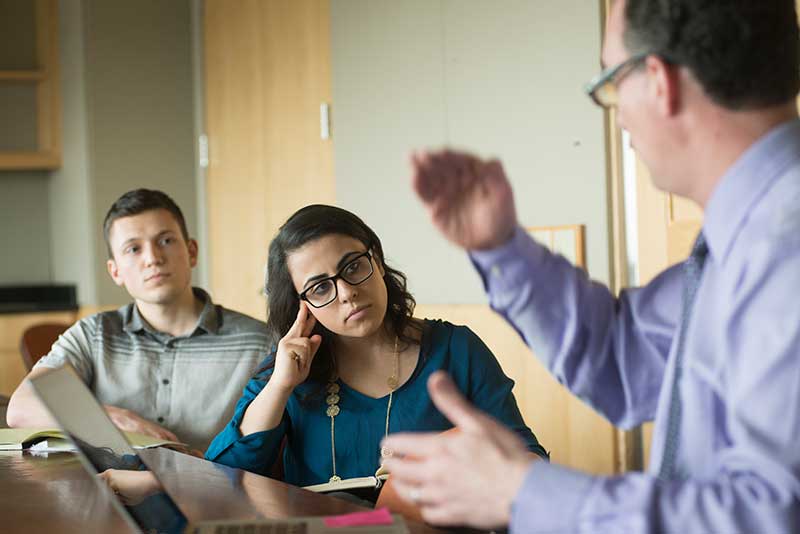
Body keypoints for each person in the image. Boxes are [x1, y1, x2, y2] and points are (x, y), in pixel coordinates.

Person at [382, 0, 800, 531]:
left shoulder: (784, 246)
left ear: (657, 80)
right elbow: (626, 358)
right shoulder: (750, 232)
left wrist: (521, 491)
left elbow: (771, 517)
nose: (617, 112)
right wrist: (501, 246)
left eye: (611, 80)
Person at [205, 204, 547, 498]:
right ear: (302, 306)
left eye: (353, 266)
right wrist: (280, 387)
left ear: (378, 261)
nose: (346, 293)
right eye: (320, 287)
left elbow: (530, 467)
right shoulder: (289, 370)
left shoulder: (457, 350)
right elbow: (218, 481)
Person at [7, 189, 269, 451]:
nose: (153, 258)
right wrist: (113, 419)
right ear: (116, 271)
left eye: (165, 241)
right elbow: (21, 408)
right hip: (111, 488)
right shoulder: (94, 334)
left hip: (216, 487)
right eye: (133, 249)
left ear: (191, 251)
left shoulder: (259, 342)